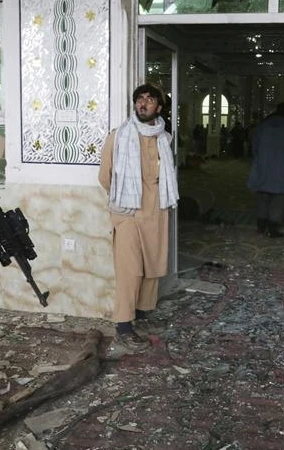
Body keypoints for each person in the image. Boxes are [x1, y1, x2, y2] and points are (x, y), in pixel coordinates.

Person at [98, 84, 179, 355]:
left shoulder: (165, 139)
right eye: (139, 99)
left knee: (152, 266)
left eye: (150, 99)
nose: (143, 103)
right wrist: (125, 197)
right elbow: (105, 176)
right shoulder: (118, 136)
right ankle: (123, 328)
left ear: (159, 106)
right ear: (134, 105)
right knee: (130, 270)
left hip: (155, 211)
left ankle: (141, 318)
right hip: (127, 212)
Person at [247, 102, 284, 238]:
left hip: (264, 166)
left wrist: (259, 161)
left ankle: (261, 225)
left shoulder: (263, 125)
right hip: (283, 168)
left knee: (262, 195)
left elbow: (254, 147)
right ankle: (273, 228)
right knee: (278, 198)